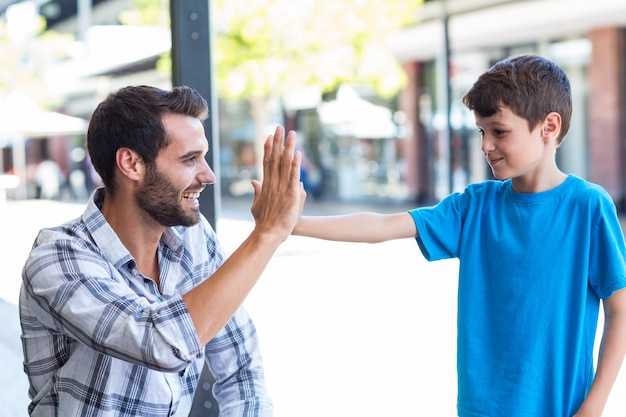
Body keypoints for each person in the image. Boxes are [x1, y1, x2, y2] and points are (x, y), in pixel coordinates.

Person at [292, 55, 626, 416]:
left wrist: (594, 406)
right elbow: (383, 226)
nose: (486, 145)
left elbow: (620, 311)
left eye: (499, 131)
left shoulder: (588, 206)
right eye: (482, 132)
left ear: (549, 126)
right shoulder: (474, 207)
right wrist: (293, 224)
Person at [19, 85, 305, 417]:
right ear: (132, 164)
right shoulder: (57, 257)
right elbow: (159, 342)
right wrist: (266, 235)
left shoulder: (195, 237)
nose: (208, 175)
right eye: (190, 159)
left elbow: (241, 370)